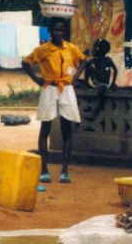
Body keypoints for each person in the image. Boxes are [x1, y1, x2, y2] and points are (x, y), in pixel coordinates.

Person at [22, 18, 86, 184]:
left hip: (66, 88)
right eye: (55, 30)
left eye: (61, 30)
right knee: (46, 127)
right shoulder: (43, 50)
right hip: (49, 89)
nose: (58, 33)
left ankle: (64, 170)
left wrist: (75, 77)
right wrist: (37, 79)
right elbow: (26, 62)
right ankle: (44, 169)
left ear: (64, 32)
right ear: (49, 31)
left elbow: (83, 60)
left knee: (67, 128)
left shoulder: (70, 48)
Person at [77, 38, 118, 117]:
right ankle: (85, 84)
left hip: (103, 85)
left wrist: (113, 83)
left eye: (95, 48)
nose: (93, 50)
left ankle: (100, 106)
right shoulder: (93, 60)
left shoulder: (107, 60)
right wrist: (83, 55)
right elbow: (84, 65)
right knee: (89, 68)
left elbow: (115, 70)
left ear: (102, 50)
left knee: (102, 90)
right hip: (95, 82)